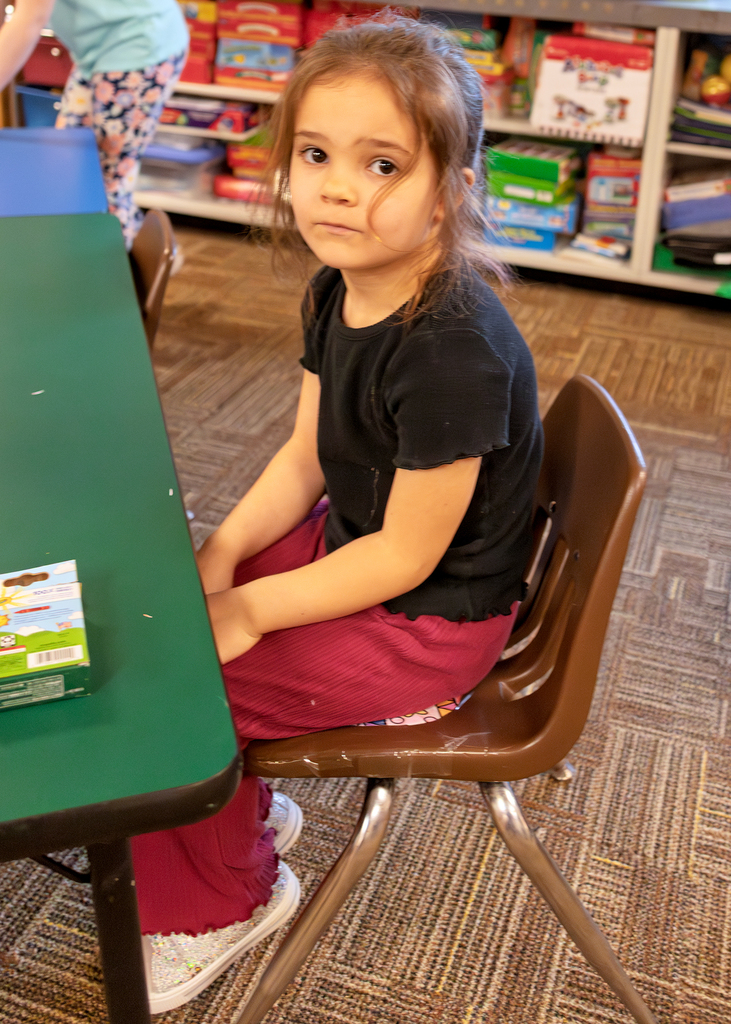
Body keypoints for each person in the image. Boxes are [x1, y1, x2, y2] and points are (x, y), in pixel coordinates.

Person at [131, 12, 544, 1013]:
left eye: (381, 164)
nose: (334, 187)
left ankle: (225, 903)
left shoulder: (451, 348)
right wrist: (222, 556)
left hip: (429, 620)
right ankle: (237, 812)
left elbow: (406, 557)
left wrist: (255, 610)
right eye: (315, 154)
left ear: (452, 189)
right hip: (357, 551)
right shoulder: (338, 284)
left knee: (177, 697)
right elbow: (308, 454)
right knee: (168, 622)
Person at [0, 0, 188, 248]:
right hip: (98, 52)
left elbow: (30, 19)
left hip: (138, 50)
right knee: (67, 167)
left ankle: (129, 276)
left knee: (104, 187)